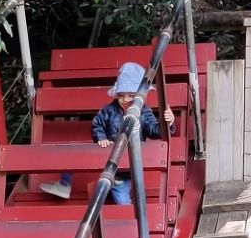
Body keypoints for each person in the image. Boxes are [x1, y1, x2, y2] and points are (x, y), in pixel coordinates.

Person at [41, 61, 175, 203]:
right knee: (73, 154)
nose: (124, 99)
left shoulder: (144, 112)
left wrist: (169, 123)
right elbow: (97, 124)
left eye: (130, 95)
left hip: (124, 169)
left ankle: (127, 218)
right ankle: (64, 184)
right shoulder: (109, 110)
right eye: (121, 95)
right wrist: (101, 137)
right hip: (105, 155)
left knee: (122, 200)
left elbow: (154, 130)